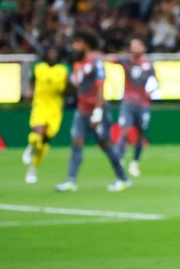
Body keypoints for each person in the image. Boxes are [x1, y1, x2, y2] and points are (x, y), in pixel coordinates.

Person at [55, 30, 131, 193]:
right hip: (82, 110)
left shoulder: (95, 62)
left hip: (98, 110)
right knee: (76, 142)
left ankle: (123, 178)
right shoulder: (77, 64)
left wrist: (98, 111)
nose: (74, 46)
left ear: (85, 44)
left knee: (105, 145)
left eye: (77, 43)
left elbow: (100, 86)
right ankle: (70, 181)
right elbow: (76, 86)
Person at [23, 46, 70, 184]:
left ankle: (33, 168)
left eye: (55, 52)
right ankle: (31, 146)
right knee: (37, 132)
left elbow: (69, 88)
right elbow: (31, 82)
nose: (53, 55)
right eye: (50, 51)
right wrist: (28, 91)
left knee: (44, 141)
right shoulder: (38, 67)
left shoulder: (64, 69)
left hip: (55, 108)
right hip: (40, 105)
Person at [113, 39, 158, 178]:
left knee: (140, 133)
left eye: (137, 46)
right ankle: (119, 160)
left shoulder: (148, 64)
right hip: (128, 102)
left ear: (143, 48)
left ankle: (134, 163)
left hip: (143, 104)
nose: (134, 49)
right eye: (132, 46)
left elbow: (156, 81)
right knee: (124, 130)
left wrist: (152, 91)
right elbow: (110, 59)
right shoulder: (126, 61)